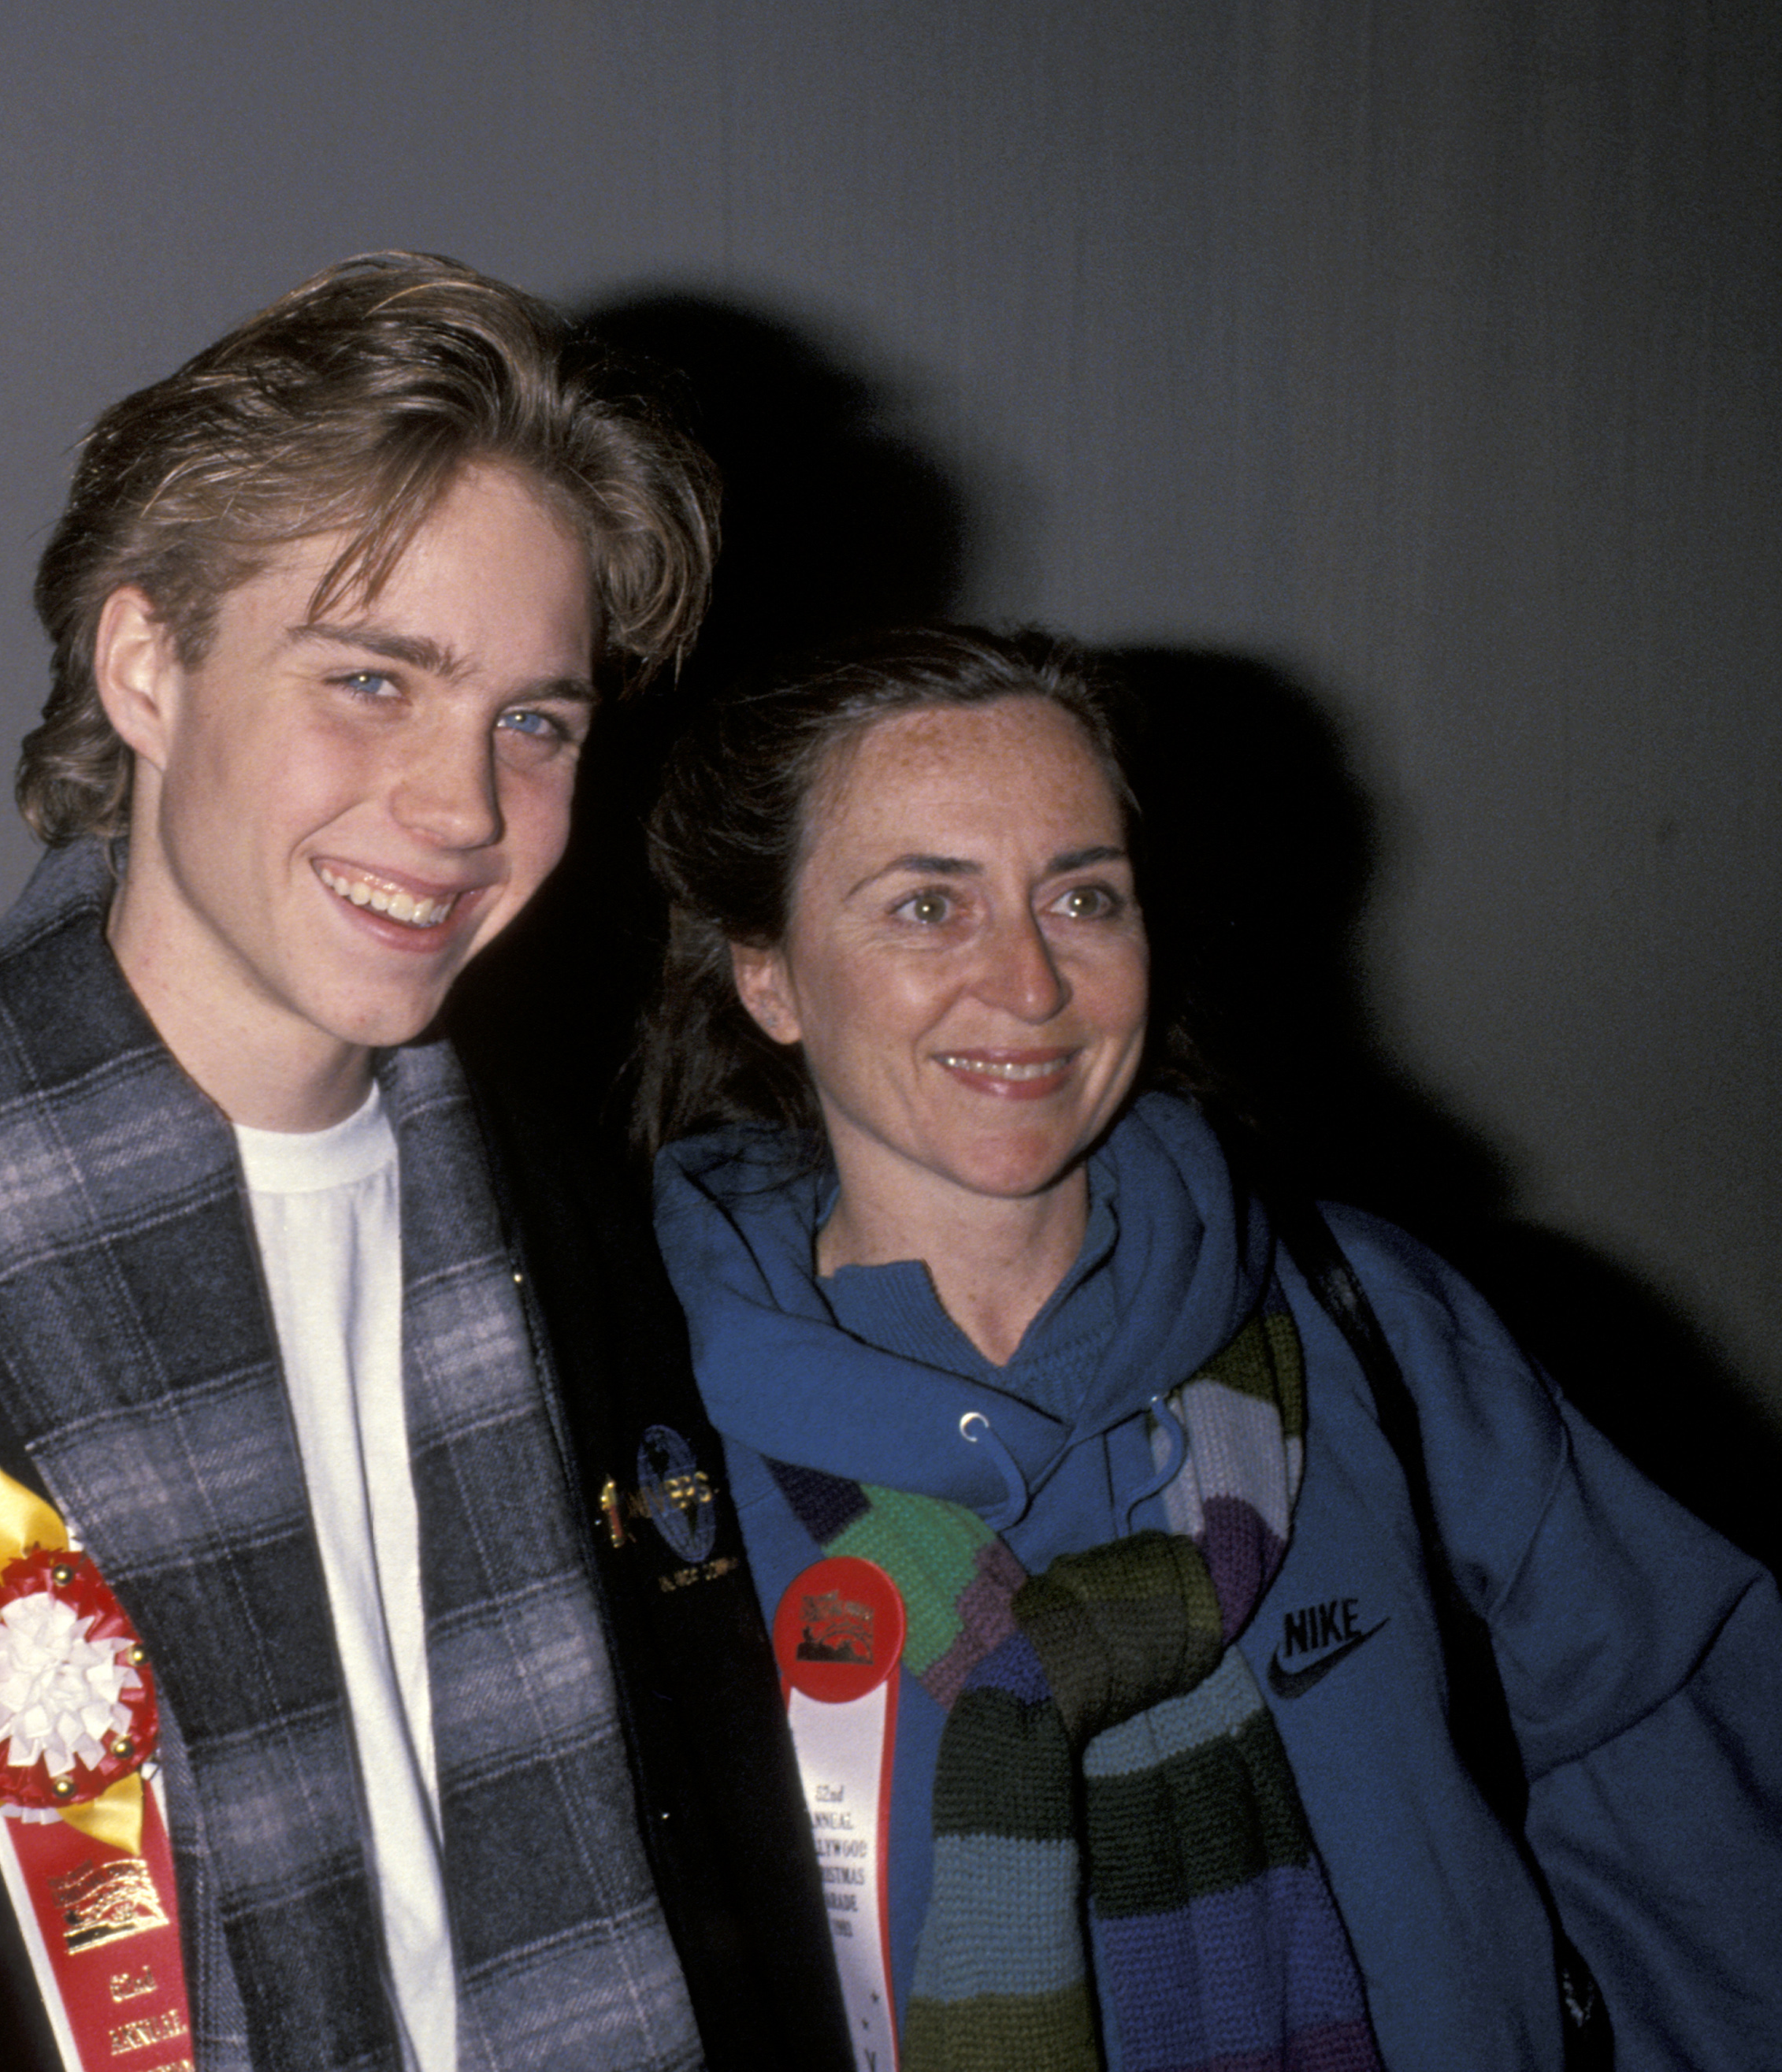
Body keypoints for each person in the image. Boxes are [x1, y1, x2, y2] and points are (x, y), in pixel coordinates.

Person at [0, 254, 848, 2072]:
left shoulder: (579, 1230)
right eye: (371, 680)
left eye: (536, 720)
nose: (458, 806)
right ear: (147, 665)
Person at [640, 622, 1782, 2072]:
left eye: (1084, 897)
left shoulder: (1371, 1325)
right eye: (928, 907)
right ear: (771, 978)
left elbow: (1677, 1755)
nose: (1033, 983)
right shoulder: (651, 1451)